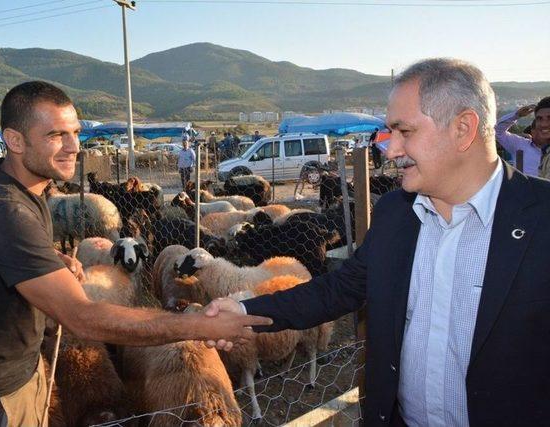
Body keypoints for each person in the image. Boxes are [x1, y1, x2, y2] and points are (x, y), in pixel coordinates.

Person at [205, 59, 550, 426]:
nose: (390, 150)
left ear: (463, 128)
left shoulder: (541, 218)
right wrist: (244, 312)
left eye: (404, 131)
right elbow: (338, 289)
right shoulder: (395, 213)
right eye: (390, 132)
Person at [0, 81, 270, 426]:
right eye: (55, 135)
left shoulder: (14, 185)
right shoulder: (6, 212)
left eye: (75, 132)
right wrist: (197, 325)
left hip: (15, 368)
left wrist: (50, 260)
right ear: (15, 141)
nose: (73, 146)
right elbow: (82, 317)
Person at [494, 96, 550, 176]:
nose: (544, 124)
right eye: (539, 119)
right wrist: (517, 115)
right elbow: (497, 131)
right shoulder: (520, 145)